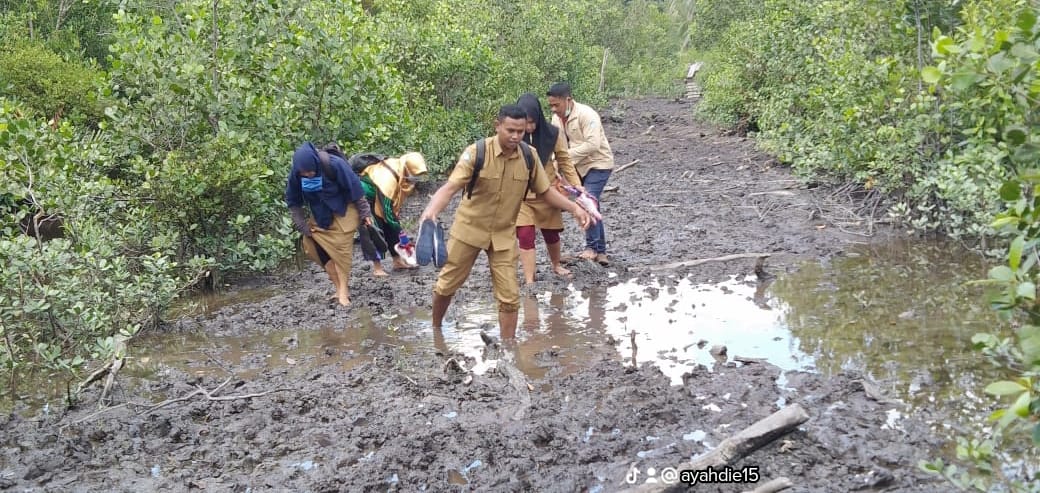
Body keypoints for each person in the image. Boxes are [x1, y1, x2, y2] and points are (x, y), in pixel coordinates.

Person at [419, 104, 593, 340]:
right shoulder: (477, 152)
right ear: (497, 125)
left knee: (510, 297)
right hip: (469, 230)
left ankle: (508, 349)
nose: (515, 136)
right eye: (510, 130)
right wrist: (430, 212)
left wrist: (574, 207)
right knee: (447, 284)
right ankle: (436, 329)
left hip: (502, 234)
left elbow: (545, 191)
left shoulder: (529, 156)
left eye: (520, 131)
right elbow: (449, 188)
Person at [286, 142, 372, 307]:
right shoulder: (296, 175)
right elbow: (293, 202)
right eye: (304, 174)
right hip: (321, 214)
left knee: (340, 247)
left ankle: (344, 292)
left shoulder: (333, 164)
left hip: (345, 208)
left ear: (315, 164)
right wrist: (302, 225)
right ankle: (338, 287)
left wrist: (365, 213)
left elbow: (355, 188)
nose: (308, 175)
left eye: (311, 171)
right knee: (311, 245)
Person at [514, 93, 585, 285]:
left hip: (548, 193)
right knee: (525, 234)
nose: (528, 127)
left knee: (551, 233)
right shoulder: (513, 136)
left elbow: (564, 160)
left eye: (532, 122)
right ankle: (530, 279)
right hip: (521, 196)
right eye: (524, 122)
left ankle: (556, 264)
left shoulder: (553, 134)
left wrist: (577, 185)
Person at [547, 82, 614, 266]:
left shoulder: (587, 115)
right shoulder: (556, 119)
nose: (554, 109)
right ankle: (601, 252)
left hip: (598, 163)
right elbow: (558, 146)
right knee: (590, 203)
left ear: (568, 100)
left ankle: (592, 248)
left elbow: (593, 144)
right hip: (576, 166)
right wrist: (556, 164)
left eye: (556, 105)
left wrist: (564, 157)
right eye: (551, 106)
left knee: (587, 201)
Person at [357, 152, 428, 277]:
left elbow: (393, 204)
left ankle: (397, 261)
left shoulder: (398, 169)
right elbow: (387, 211)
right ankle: (377, 268)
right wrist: (400, 230)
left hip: (380, 196)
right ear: (407, 169)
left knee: (391, 228)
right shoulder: (387, 179)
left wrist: (396, 225)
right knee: (375, 230)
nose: (414, 178)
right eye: (414, 174)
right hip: (365, 198)